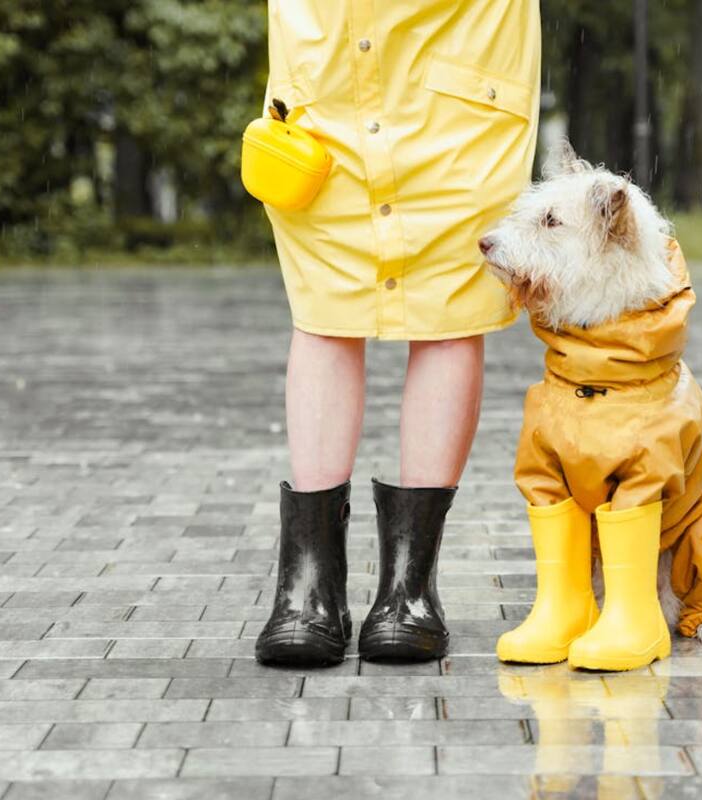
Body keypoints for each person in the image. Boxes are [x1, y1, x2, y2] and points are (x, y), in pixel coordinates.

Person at [254, 0, 542, 666]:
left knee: (449, 313)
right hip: (326, 71)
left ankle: (410, 591)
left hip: (462, 65)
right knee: (324, 308)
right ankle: (308, 590)